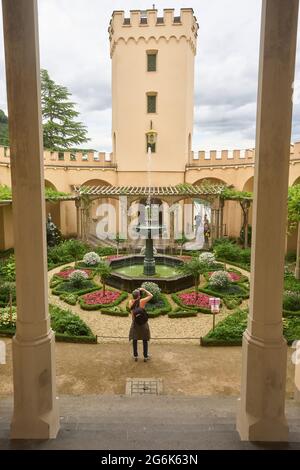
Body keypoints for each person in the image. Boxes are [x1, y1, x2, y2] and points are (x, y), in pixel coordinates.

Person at [129, 287, 153, 362]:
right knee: (144, 339)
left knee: (135, 339)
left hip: (135, 322)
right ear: (139, 296)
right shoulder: (142, 301)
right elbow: (151, 295)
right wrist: (144, 290)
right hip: (143, 323)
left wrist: (136, 293)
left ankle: (135, 355)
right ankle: (145, 356)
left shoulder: (130, 302)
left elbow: (132, 314)